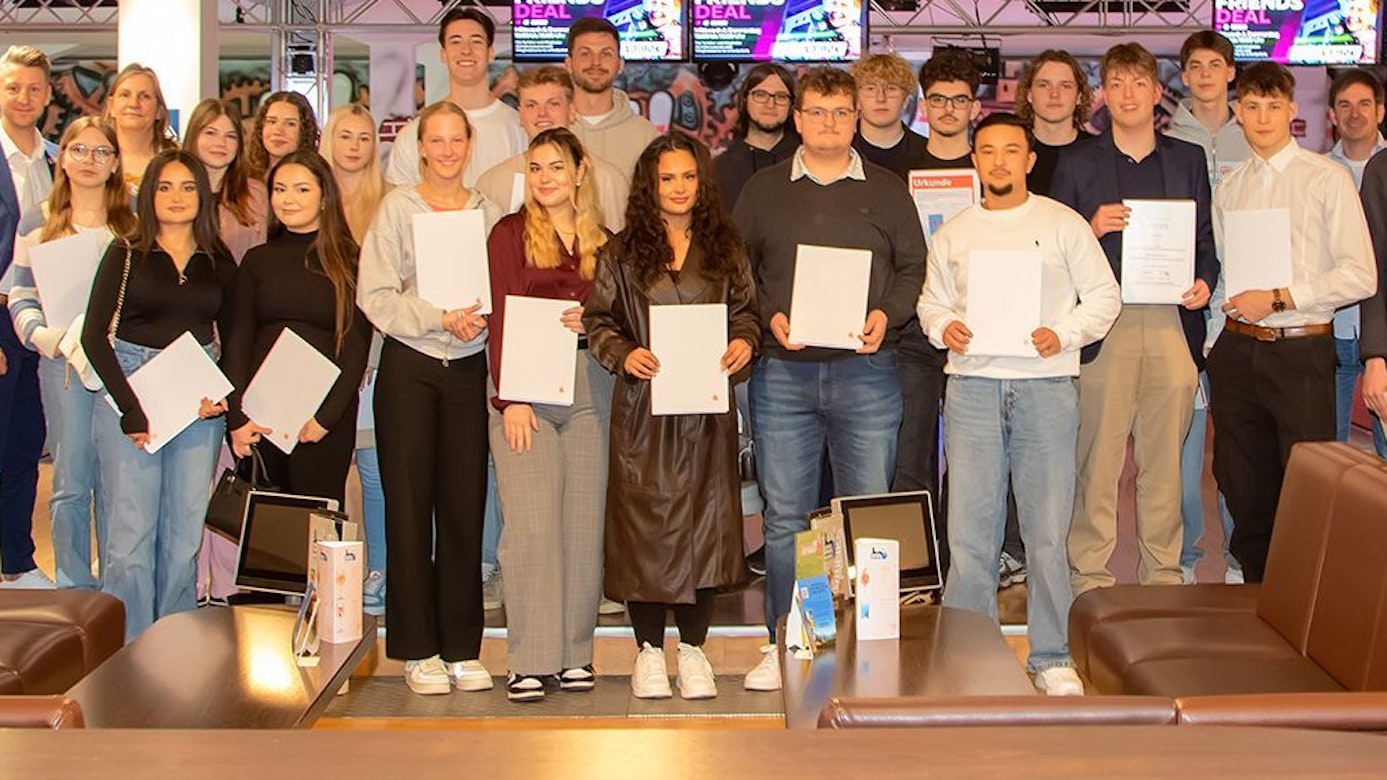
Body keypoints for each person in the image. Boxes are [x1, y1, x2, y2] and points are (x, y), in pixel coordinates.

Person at [734, 67, 925, 692]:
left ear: (855, 117)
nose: (829, 124)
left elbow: (912, 268)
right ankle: (792, 638)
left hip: (867, 372)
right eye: (816, 112)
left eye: (840, 113)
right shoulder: (763, 191)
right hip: (782, 374)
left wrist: (886, 315)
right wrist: (768, 315)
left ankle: (864, 647)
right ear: (797, 119)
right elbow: (740, 273)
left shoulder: (889, 190)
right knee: (787, 519)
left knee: (866, 516)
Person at [920, 112, 1120, 697]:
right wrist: (945, 327)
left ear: (1030, 160)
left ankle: (1052, 655)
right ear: (974, 160)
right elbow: (931, 303)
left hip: (1045, 390)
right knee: (970, 533)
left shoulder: (1064, 225)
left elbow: (1105, 296)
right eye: (988, 151)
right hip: (973, 390)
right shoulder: (953, 232)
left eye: (1012, 150)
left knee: (1047, 529)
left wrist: (1063, 332)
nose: (1000, 161)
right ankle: (969, 651)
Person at [586, 133, 758, 700]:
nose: (679, 188)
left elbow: (748, 315)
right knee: (646, 533)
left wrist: (743, 343)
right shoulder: (620, 252)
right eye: (667, 178)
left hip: (706, 412)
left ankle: (695, 651)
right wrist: (623, 353)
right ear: (648, 186)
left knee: (707, 531)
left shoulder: (726, 248)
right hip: (645, 412)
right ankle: (648, 653)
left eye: (688, 177)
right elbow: (599, 322)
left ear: (701, 183)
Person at [1051, 43, 1217, 595]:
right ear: (1103, 94)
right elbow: (1052, 252)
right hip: (1105, 326)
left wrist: (1205, 283)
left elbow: (1205, 246)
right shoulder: (1077, 163)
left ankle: (1163, 578)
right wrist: (1089, 227)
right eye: (1116, 84)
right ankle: (1089, 580)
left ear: (1155, 92)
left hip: (1172, 324)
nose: (1127, 95)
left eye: (1137, 84)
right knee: (1097, 463)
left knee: (1163, 465)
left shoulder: (1187, 159)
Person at [1208, 62, 1375, 583]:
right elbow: (1225, 277)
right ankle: (1255, 597)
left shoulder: (1326, 180)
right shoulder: (1229, 189)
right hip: (1237, 350)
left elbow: (1360, 275)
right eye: (1251, 107)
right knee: (1242, 485)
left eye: (1272, 106)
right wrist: (1214, 348)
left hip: (1301, 350)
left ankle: (1302, 602)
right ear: (1237, 113)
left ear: (1292, 111)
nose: (1261, 117)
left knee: (1306, 487)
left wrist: (1279, 298)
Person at [357, 101, 502, 695]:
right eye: (434, 141)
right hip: (411, 369)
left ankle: (463, 647)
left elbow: (506, 286)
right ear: (420, 146)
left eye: (455, 141)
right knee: (410, 508)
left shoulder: (491, 211)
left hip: (469, 371)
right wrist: (440, 316)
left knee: (466, 507)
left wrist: (480, 322)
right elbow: (376, 294)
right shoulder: (397, 208)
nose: (446, 151)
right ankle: (418, 649)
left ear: (469, 147)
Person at [81, 150, 237, 640]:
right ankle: (125, 647)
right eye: (165, 187)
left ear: (202, 196)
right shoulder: (126, 252)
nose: (176, 197)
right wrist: (131, 407)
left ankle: (173, 643)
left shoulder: (219, 259)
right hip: (134, 396)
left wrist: (220, 393)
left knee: (184, 534)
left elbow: (233, 337)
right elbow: (92, 336)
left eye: (188, 187)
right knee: (130, 535)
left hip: (196, 403)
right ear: (148, 195)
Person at [484, 128, 613, 702]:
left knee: (582, 529)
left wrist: (597, 322)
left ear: (580, 171)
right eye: (535, 168)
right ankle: (531, 659)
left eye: (556, 167)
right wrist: (509, 397)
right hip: (526, 391)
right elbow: (499, 319)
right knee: (533, 527)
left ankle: (574, 654)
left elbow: (619, 320)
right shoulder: (509, 234)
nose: (545, 178)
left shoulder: (605, 243)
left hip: (590, 385)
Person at [9, 116, 136, 590]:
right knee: (69, 482)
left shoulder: (133, 219)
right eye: (79, 150)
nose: (89, 160)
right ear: (61, 158)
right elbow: (21, 294)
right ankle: (73, 586)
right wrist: (43, 336)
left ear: (115, 162)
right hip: (60, 364)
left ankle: (114, 587)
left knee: (117, 481)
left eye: (101, 152)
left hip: (121, 366)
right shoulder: (39, 219)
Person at [225, 151, 370, 505]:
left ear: (325, 197)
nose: (289, 199)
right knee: (267, 535)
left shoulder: (352, 260)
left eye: (302, 189)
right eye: (280, 189)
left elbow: (357, 346)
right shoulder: (257, 260)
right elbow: (238, 342)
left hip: (323, 419)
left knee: (317, 529)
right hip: (263, 415)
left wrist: (326, 418)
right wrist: (237, 417)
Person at [1163, 31, 1251, 585]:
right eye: (1194, 66)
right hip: (1189, 307)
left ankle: (1242, 557)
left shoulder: (1255, 138)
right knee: (1184, 446)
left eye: (1214, 65)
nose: (1204, 75)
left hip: (1246, 308)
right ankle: (1189, 558)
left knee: (1241, 442)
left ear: (1230, 72)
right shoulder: (1167, 138)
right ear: (1185, 75)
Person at [321, 102, 390, 615]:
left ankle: (380, 571)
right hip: (310, 362)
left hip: (370, 363)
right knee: (319, 475)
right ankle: (318, 578)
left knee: (373, 474)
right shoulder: (305, 198)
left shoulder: (387, 206)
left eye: (364, 137)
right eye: (345, 135)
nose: (354, 146)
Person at [0, 44, 56, 589]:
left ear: (47, 94)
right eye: (14, 86)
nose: (23, 97)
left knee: (26, 446)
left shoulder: (58, 160)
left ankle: (16, 561)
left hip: (42, 324)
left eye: (34, 88)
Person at [476, 66, 630, 232]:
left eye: (553, 104)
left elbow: (617, 250)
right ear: (520, 115)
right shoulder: (492, 183)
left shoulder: (607, 180)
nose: (542, 113)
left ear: (572, 111)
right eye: (531, 105)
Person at [385, 7, 526, 189]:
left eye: (476, 41)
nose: (466, 50)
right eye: (455, 42)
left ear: (490, 52)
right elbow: (399, 209)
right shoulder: (414, 134)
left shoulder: (518, 127)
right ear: (443, 54)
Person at [1324, 68, 1387, 458]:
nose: (1354, 113)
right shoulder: (1316, 174)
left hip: (1383, 336)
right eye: (1344, 105)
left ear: (1380, 111)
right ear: (1331, 115)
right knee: (1328, 457)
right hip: (1331, 332)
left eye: (1365, 104)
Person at [564, 17, 659, 178]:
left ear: (620, 65)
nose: (596, 62)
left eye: (606, 54)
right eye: (585, 53)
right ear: (568, 64)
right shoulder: (552, 127)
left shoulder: (646, 136)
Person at [183, 99, 267, 263]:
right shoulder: (174, 190)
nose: (220, 143)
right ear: (194, 135)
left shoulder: (256, 193)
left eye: (230, 136)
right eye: (210, 133)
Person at [714, 63, 798, 207]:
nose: (770, 104)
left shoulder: (808, 161)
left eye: (781, 96)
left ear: (792, 106)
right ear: (744, 99)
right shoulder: (717, 169)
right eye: (760, 95)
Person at [1014, 49, 1095, 196]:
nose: (1054, 94)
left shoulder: (1098, 154)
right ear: (1029, 95)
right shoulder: (1012, 151)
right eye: (1044, 85)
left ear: (1079, 97)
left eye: (1065, 86)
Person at [850, 52, 926, 181]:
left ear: (906, 100)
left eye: (891, 89)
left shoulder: (926, 152)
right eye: (870, 89)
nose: (881, 98)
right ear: (856, 100)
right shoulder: (840, 150)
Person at [102, 63, 176, 193]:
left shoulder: (177, 159)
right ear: (111, 106)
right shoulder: (94, 158)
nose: (133, 104)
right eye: (125, 95)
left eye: (145, 96)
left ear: (159, 110)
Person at [916, 49, 981, 169]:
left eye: (959, 100)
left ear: (974, 109)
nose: (949, 109)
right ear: (923, 107)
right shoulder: (899, 172)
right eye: (938, 100)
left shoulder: (988, 171)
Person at [247, 91, 319, 180]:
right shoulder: (244, 176)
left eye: (290, 124)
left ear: (304, 131)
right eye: (272, 121)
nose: (278, 131)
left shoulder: (315, 177)